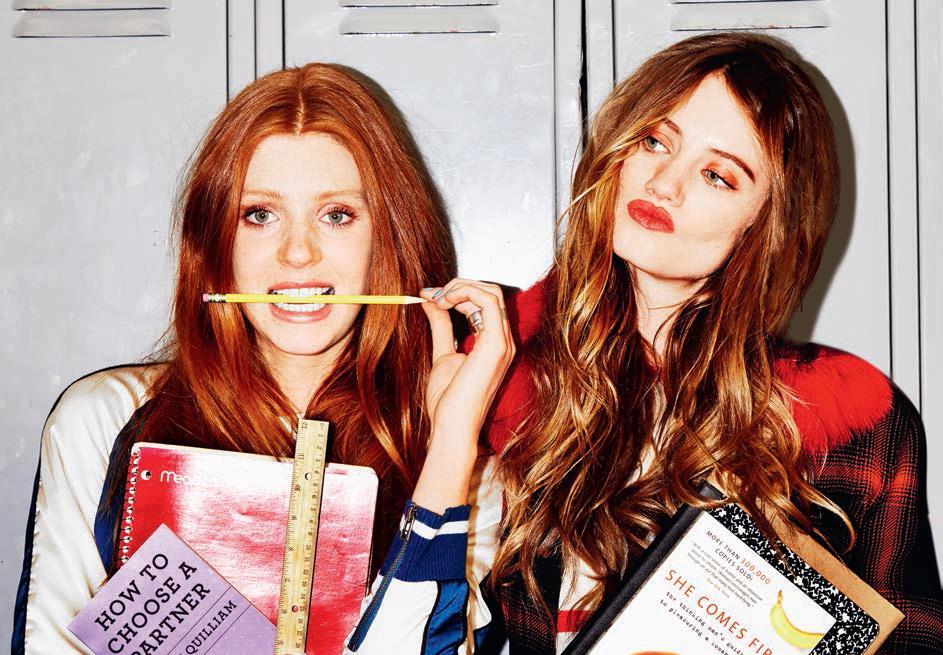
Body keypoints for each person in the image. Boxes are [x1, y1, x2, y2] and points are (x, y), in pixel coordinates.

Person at [346, 32, 942, 654]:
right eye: (655, 141)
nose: (664, 183)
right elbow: (405, 639)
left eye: (716, 175)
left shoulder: (847, 417)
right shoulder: (495, 371)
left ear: (766, 225)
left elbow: (913, 640)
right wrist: (454, 434)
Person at [12, 63, 516, 654]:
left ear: (389, 240)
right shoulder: (105, 417)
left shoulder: (470, 461)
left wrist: (449, 445)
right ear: (215, 244)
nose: (298, 253)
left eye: (337, 215)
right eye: (259, 215)